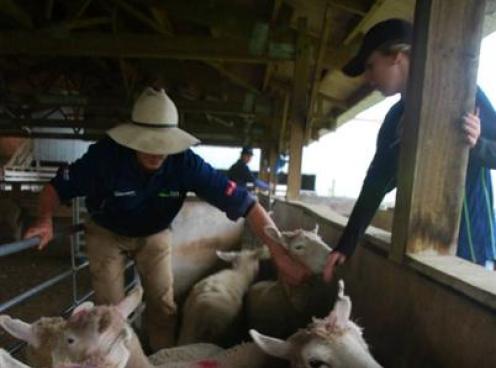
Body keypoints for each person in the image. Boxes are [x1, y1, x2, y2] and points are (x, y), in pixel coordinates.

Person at [24, 88, 309, 350]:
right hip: (106, 232)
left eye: (164, 144)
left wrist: (280, 254)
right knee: (109, 311)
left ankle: (161, 367)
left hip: (155, 233)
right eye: (148, 143)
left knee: (163, 305)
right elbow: (56, 188)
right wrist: (45, 218)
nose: (157, 152)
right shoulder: (105, 158)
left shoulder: (185, 163)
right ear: (131, 139)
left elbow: (246, 204)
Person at [324, 18, 496, 282]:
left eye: (371, 66)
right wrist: (345, 245)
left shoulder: (461, 93)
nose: (368, 79)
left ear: (397, 56)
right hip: (422, 248)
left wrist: (478, 147)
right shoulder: (395, 119)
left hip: (471, 250)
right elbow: (376, 183)